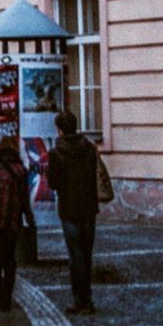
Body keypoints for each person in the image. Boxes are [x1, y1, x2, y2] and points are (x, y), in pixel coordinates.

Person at [46, 110, 101, 315]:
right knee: (86, 254)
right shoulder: (89, 148)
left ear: (59, 129)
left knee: (75, 255)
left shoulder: (56, 152)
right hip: (88, 206)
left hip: (69, 207)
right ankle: (87, 299)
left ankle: (80, 299)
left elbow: (54, 183)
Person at [0, 135, 31, 314]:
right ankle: (7, 296)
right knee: (10, 258)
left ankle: (0, 296)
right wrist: (29, 215)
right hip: (13, 219)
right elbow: (24, 197)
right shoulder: (21, 171)